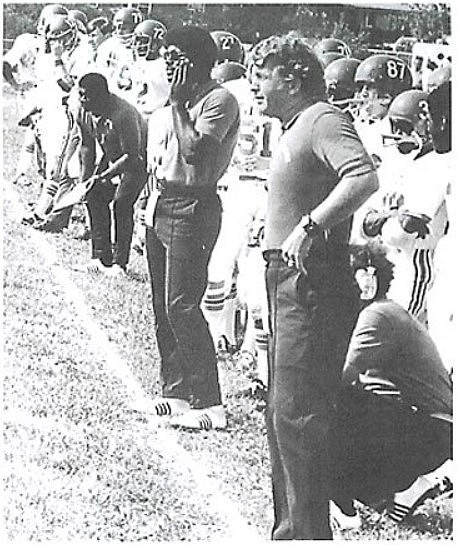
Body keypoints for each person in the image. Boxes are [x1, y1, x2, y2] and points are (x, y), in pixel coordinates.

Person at [251, 34, 378, 539]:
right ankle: (291, 529)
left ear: (293, 77)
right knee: (282, 415)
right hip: (286, 283)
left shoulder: (324, 120)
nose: (258, 85)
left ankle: (306, 533)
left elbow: (362, 178)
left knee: (298, 417)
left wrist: (309, 226)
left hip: (312, 286)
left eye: (265, 75)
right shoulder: (295, 127)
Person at [144, 26, 240, 430]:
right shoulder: (178, 100)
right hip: (163, 198)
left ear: (198, 60)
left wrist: (180, 103)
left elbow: (196, 150)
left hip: (194, 204)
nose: (168, 62)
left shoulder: (219, 99)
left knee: (182, 304)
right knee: (163, 306)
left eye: (175, 55)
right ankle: (176, 390)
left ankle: (210, 402)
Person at [329, 243, 452, 525]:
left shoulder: (377, 315)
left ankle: (345, 509)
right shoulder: (383, 311)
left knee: (331, 402)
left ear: (367, 277)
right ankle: (397, 490)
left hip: (433, 427)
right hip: (433, 427)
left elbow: (341, 378)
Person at [76, 72, 148, 275]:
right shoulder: (82, 111)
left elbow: (132, 156)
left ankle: (119, 263)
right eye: (80, 94)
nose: (82, 100)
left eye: (87, 96)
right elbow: (86, 146)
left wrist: (104, 175)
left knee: (122, 203)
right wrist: (86, 180)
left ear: (102, 96)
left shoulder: (123, 114)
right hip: (113, 155)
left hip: (138, 159)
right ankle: (100, 258)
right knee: (93, 195)